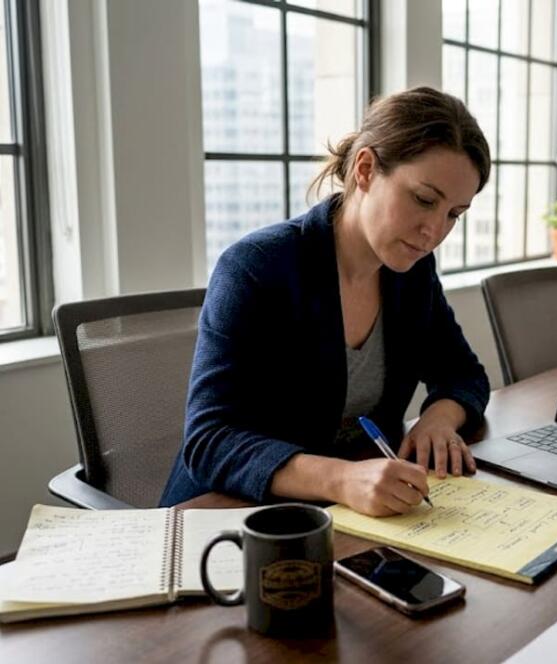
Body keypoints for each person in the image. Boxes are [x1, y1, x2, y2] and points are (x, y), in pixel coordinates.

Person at [160, 87, 491, 516]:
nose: (434, 231)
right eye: (424, 200)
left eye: (453, 214)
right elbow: (210, 440)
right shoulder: (256, 269)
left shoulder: (412, 274)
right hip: (231, 519)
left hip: (353, 515)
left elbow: (462, 372)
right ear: (366, 169)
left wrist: (439, 419)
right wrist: (341, 479)